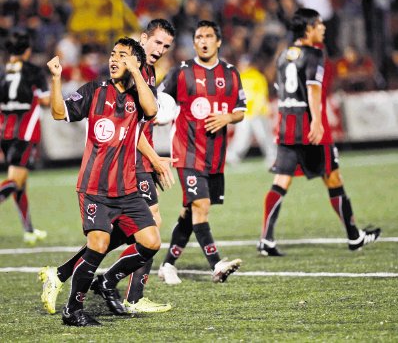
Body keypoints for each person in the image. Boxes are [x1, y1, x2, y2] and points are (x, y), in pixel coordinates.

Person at [39, 20, 176, 317]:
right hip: (95, 189)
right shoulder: (95, 90)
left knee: (151, 241)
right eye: (113, 54)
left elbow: (152, 110)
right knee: (99, 244)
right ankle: (73, 310)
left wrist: (137, 71)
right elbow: (60, 112)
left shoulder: (139, 95)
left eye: (121, 55)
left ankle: (106, 280)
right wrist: (57, 79)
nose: (113, 59)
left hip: (126, 190)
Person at [257, 8, 381, 257]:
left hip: (287, 126)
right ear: (308, 28)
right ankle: (354, 236)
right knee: (334, 179)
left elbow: (279, 87)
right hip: (309, 126)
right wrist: (316, 123)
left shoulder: (283, 56)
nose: (323, 28)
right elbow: (313, 89)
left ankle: (266, 240)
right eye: (319, 24)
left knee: (281, 181)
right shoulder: (314, 53)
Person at [157, 20, 247, 285]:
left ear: (218, 41)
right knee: (201, 206)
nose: (204, 41)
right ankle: (217, 264)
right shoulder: (181, 72)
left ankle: (167, 265)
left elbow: (241, 111)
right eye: (199, 37)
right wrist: (161, 115)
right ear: (194, 42)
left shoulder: (231, 73)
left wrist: (227, 117)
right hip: (187, 151)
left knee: (190, 212)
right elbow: (157, 99)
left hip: (215, 156)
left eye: (209, 36)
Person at [0, 30, 49, 245]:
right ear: (27, 51)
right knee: (16, 181)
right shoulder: (34, 72)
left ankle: (29, 230)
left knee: (20, 183)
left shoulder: (2, 73)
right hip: (25, 133)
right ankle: (29, 229)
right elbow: (46, 102)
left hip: (6, 133)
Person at [226, 54, 276, 168]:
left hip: (257, 112)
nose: (244, 66)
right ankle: (232, 156)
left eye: (246, 64)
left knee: (264, 135)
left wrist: (259, 108)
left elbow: (262, 94)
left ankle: (273, 155)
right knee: (242, 137)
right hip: (245, 113)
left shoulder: (257, 76)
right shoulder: (239, 77)